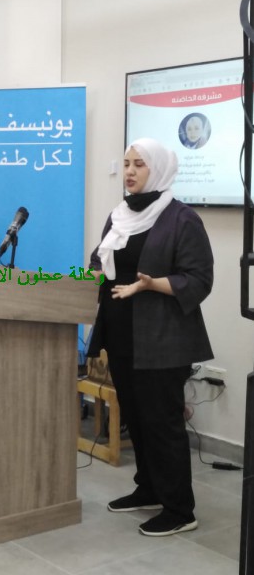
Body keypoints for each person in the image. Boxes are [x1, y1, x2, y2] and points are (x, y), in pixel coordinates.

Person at [88, 137, 214, 537]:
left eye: (138, 164)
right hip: (121, 332)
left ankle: (179, 508)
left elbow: (200, 279)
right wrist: (90, 273)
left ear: (157, 168)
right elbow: (100, 259)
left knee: (162, 422)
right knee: (137, 417)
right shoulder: (119, 214)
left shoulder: (181, 219)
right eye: (126, 164)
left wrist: (151, 284)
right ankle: (149, 488)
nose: (129, 172)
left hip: (161, 338)